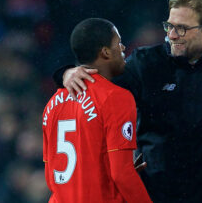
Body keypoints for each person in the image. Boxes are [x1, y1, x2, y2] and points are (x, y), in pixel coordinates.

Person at [53, 0, 202, 202]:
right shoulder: (147, 62)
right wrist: (66, 72)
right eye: (169, 26)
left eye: (181, 29)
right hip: (153, 192)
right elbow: (98, 82)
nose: (171, 35)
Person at [43, 18, 152, 203]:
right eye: (118, 43)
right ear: (106, 52)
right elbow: (121, 174)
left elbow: (52, 171)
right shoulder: (116, 97)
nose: (123, 48)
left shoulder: (52, 104)